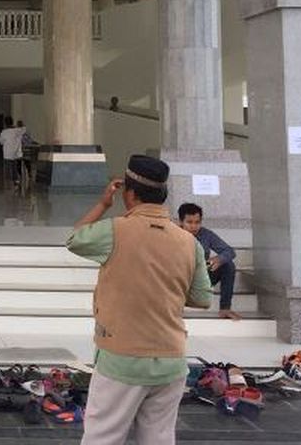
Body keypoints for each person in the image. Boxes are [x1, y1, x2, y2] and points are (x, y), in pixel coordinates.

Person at [67, 155, 211, 445]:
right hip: (171, 359)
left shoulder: (115, 230)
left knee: (102, 437)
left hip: (123, 358)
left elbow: (75, 239)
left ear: (128, 193)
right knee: (158, 438)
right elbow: (202, 298)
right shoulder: (188, 242)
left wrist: (103, 204)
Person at [177, 203, 241, 321]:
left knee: (228, 265)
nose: (194, 226)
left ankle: (225, 309)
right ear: (181, 222)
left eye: (197, 222)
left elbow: (229, 251)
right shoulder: (172, 234)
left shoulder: (205, 234)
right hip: (177, 279)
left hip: (199, 279)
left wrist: (218, 259)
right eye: (189, 222)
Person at [0, 116, 26, 189]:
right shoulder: (17, 131)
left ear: (5, 123)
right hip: (15, 153)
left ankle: (8, 183)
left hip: (7, 153)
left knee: (7, 168)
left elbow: (1, 141)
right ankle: (16, 180)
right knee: (14, 167)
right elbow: (24, 129)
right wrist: (20, 124)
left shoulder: (4, 132)